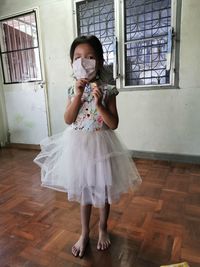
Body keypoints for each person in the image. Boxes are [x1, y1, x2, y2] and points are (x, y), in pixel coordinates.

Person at [34, 35, 142, 258]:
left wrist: (100, 103)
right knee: (84, 192)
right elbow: (68, 119)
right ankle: (84, 233)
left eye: (90, 57)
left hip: (102, 147)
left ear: (100, 61)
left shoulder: (109, 89)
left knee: (102, 192)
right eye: (78, 57)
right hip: (79, 148)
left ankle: (102, 228)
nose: (84, 62)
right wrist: (78, 97)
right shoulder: (71, 90)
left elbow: (113, 124)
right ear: (71, 63)